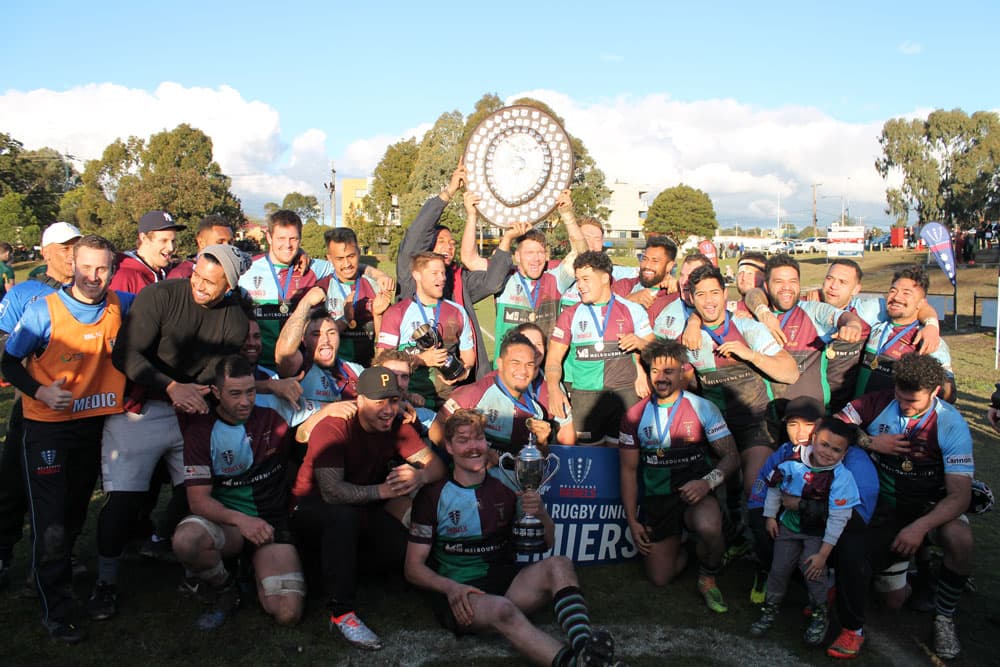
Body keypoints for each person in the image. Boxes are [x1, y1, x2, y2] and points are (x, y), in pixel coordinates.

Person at [91, 244, 251, 622]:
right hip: (143, 406)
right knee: (123, 500)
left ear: (229, 286)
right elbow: (126, 356)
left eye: (210, 283)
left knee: (200, 491)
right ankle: (105, 582)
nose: (198, 285)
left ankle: (190, 562)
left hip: (191, 409)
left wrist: (198, 394)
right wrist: (170, 387)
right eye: (196, 275)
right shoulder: (160, 295)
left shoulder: (236, 320)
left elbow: (214, 372)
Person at [405, 409, 620, 667]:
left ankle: (586, 648)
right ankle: (576, 665)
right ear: (449, 447)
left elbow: (547, 543)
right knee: (501, 611)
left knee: (560, 564)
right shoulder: (433, 495)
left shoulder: (506, 486)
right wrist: (450, 588)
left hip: (508, 584)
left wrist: (541, 514)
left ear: (487, 442)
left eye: (478, 438)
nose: (473, 447)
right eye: (463, 440)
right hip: (464, 594)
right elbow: (413, 568)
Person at [1, 235, 131, 643]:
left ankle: (52, 576)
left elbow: (165, 303)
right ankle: (55, 611)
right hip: (45, 426)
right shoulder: (44, 311)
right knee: (51, 521)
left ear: (113, 268)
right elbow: (7, 360)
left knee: (75, 511)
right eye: (87, 267)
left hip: (92, 426)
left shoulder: (120, 304)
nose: (94, 277)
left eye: (103, 268)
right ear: (72, 265)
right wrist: (40, 392)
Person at [289, 367, 445, 649]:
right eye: (379, 402)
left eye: (394, 400)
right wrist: (384, 490)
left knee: (401, 552)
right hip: (312, 510)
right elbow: (332, 492)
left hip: (361, 506)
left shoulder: (396, 422)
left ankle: (337, 573)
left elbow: (436, 466)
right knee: (343, 517)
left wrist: (419, 476)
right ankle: (341, 612)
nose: (388, 410)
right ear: (359, 400)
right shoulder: (334, 426)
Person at [837, 353, 974, 660]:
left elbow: (959, 497)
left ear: (935, 391)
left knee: (960, 539)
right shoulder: (879, 400)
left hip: (930, 509)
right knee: (893, 601)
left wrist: (920, 527)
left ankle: (945, 616)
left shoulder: (951, 424)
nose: (904, 405)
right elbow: (833, 425)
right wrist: (870, 442)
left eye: (912, 401)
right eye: (900, 396)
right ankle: (918, 570)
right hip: (887, 509)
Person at [656, 265, 799, 556]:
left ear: (725, 294)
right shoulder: (689, 336)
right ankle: (734, 536)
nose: (709, 300)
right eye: (700, 295)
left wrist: (749, 354)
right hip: (716, 427)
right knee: (726, 486)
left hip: (754, 421)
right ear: (691, 300)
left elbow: (790, 372)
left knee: (756, 488)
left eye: (714, 293)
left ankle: (767, 559)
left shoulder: (748, 328)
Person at [172, 355, 304, 630]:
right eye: (235, 394)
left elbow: (327, 410)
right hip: (229, 526)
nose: (245, 401)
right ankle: (226, 588)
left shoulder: (274, 412)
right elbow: (198, 501)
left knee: (287, 613)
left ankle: (252, 566)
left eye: (250, 392)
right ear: (217, 393)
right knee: (187, 541)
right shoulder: (201, 430)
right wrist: (242, 521)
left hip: (270, 523)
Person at [618, 339, 739, 613]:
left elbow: (732, 456)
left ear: (683, 371)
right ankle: (682, 542)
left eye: (668, 372)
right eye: (655, 372)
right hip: (659, 500)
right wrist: (632, 521)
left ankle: (708, 574)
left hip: (696, 493)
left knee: (710, 527)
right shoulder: (634, 416)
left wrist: (706, 483)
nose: (660, 379)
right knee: (660, 578)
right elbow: (628, 470)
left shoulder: (702, 408)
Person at [0, 221, 81, 588]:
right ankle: (4, 552)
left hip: (80, 408)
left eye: (76, 246)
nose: (71, 254)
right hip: (31, 407)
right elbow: (3, 346)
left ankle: (53, 559)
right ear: (46, 250)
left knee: (67, 490)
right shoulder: (24, 293)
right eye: (64, 247)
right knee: (15, 486)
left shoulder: (90, 290)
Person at [396, 162, 515, 379]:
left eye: (452, 243)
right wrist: (449, 191)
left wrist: (505, 240)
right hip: (416, 377)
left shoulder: (459, 279)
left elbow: (492, 282)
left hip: (460, 374)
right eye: (441, 241)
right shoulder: (410, 273)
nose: (448, 246)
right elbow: (417, 232)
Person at [748, 418, 861, 647]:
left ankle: (821, 614)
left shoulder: (842, 478)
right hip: (788, 528)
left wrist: (823, 554)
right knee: (778, 570)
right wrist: (770, 516)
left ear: (845, 452)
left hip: (817, 535)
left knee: (813, 574)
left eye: (836, 449)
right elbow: (774, 488)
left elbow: (839, 519)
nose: (828, 453)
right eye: (824, 445)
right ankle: (770, 609)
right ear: (814, 439)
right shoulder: (793, 460)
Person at [741, 253, 864, 437]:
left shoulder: (813, 311)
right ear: (767, 286)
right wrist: (762, 312)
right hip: (769, 421)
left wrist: (853, 325)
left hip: (809, 424)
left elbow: (842, 316)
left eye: (793, 281)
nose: (787, 288)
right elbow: (751, 295)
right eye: (779, 282)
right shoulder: (753, 315)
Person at [546, 251, 654, 446]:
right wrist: (553, 389)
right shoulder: (570, 315)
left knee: (620, 459)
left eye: (586, 279)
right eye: (578, 279)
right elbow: (553, 358)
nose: (580, 285)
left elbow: (655, 349)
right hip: (586, 397)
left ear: (605, 277)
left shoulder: (632, 309)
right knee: (587, 460)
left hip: (625, 395)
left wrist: (640, 343)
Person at [429, 331, 572, 462]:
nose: (523, 371)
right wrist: (470, 454)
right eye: (515, 363)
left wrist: (542, 442)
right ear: (500, 364)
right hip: (477, 483)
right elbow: (435, 429)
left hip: (513, 485)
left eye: (529, 365)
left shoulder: (536, 409)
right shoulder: (473, 394)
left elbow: (536, 462)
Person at [485, 188, 585, 345]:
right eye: (530, 253)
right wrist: (508, 237)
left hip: (543, 367)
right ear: (517, 256)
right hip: (508, 367)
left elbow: (581, 253)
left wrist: (567, 213)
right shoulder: (504, 278)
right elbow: (469, 258)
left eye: (540, 253)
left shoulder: (555, 279)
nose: (536, 259)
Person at [377, 252, 475, 408]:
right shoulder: (397, 312)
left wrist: (463, 373)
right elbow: (382, 360)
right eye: (435, 273)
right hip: (410, 399)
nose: (442, 278)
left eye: (443, 273)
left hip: (447, 401)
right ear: (417, 275)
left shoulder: (457, 311)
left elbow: (468, 358)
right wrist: (422, 359)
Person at [855, 266, 955, 401]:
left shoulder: (927, 339)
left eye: (906, 293)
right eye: (893, 291)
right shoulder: (877, 324)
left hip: (889, 419)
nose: (896, 297)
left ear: (921, 303)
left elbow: (949, 393)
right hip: (856, 414)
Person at [316, 227, 388, 367]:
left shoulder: (376, 286)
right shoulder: (321, 289)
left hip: (371, 368)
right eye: (339, 259)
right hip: (335, 371)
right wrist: (345, 320)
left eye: (351, 256)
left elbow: (387, 337)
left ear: (359, 253)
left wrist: (378, 316)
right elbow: (317, 338)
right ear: (329, 259)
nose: (347, 264)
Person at [109, 210, 187, 293]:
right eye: (164, 240)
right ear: (144, 239)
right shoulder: (124, 276)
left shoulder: (167, 274)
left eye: (173, 241)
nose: (171, 248)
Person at [611, 236, 679, 326]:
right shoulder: (624, 286)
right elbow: (601, 318)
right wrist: (629, 300)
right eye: (644, 259)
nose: (647, 265)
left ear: (669, 266)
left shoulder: (675, 294)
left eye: (655, 261)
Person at [166, 215, 235, 279]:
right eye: (220, 242)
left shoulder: (234, 272)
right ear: (201, 242)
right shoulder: (182, 275)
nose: (227, 247)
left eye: (230, 242)